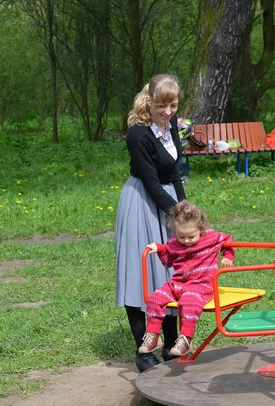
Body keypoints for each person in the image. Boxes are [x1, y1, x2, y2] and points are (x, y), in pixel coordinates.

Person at [116, 73, 187, 372]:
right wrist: (177, 214)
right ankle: (143, 351)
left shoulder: (170, 126)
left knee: (170, 272)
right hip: (142, 202)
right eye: (162, 106)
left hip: (166, 199)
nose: (168, 112)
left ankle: (171, 345)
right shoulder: (138, 134)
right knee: (140, 273)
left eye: (173, 106)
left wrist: (186, 211)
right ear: (151, 101)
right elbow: (151, 182)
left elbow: (173, 173)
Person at [138, 200, 235, 356]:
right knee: (155, 298)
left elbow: (228, 240)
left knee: (188, 302)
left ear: (201, 228)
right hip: (178, 283)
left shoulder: (211, 237)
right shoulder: (174, 243)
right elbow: (168, 262)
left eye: (191, 236)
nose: (187, 241)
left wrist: (228, 256)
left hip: (201, 285)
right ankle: (154, 335)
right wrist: (161, 249)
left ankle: (185, 339)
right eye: (181, 236)